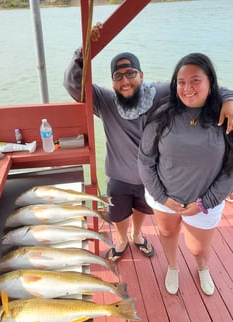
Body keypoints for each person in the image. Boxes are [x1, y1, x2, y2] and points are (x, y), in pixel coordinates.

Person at [63, 22, 233, 263]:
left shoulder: (159, 93)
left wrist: (229, 99)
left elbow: (198, 86)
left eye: (131, 73)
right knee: (118, 213)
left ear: (141, 76)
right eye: (118, 76)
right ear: (112, 81)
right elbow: (73, 85)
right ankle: (122, 239)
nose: (125, 80)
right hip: (119, 176)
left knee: (143, 210)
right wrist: (83, 51)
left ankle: (137, 235)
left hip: (154, 178)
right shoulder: (105, 101)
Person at [138, 53, 233, 296]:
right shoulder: (162, 114)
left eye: (195, 81)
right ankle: (172, 266)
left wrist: (204, 202)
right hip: (164, 199)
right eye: (181, 82)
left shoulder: (225, 117)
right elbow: (146, 160)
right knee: (168, 234)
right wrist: (162, 197)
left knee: (198, 248)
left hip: (205, 204)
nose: (187, 88)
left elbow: (231, 170)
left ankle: (202, 267)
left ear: (210, 82)